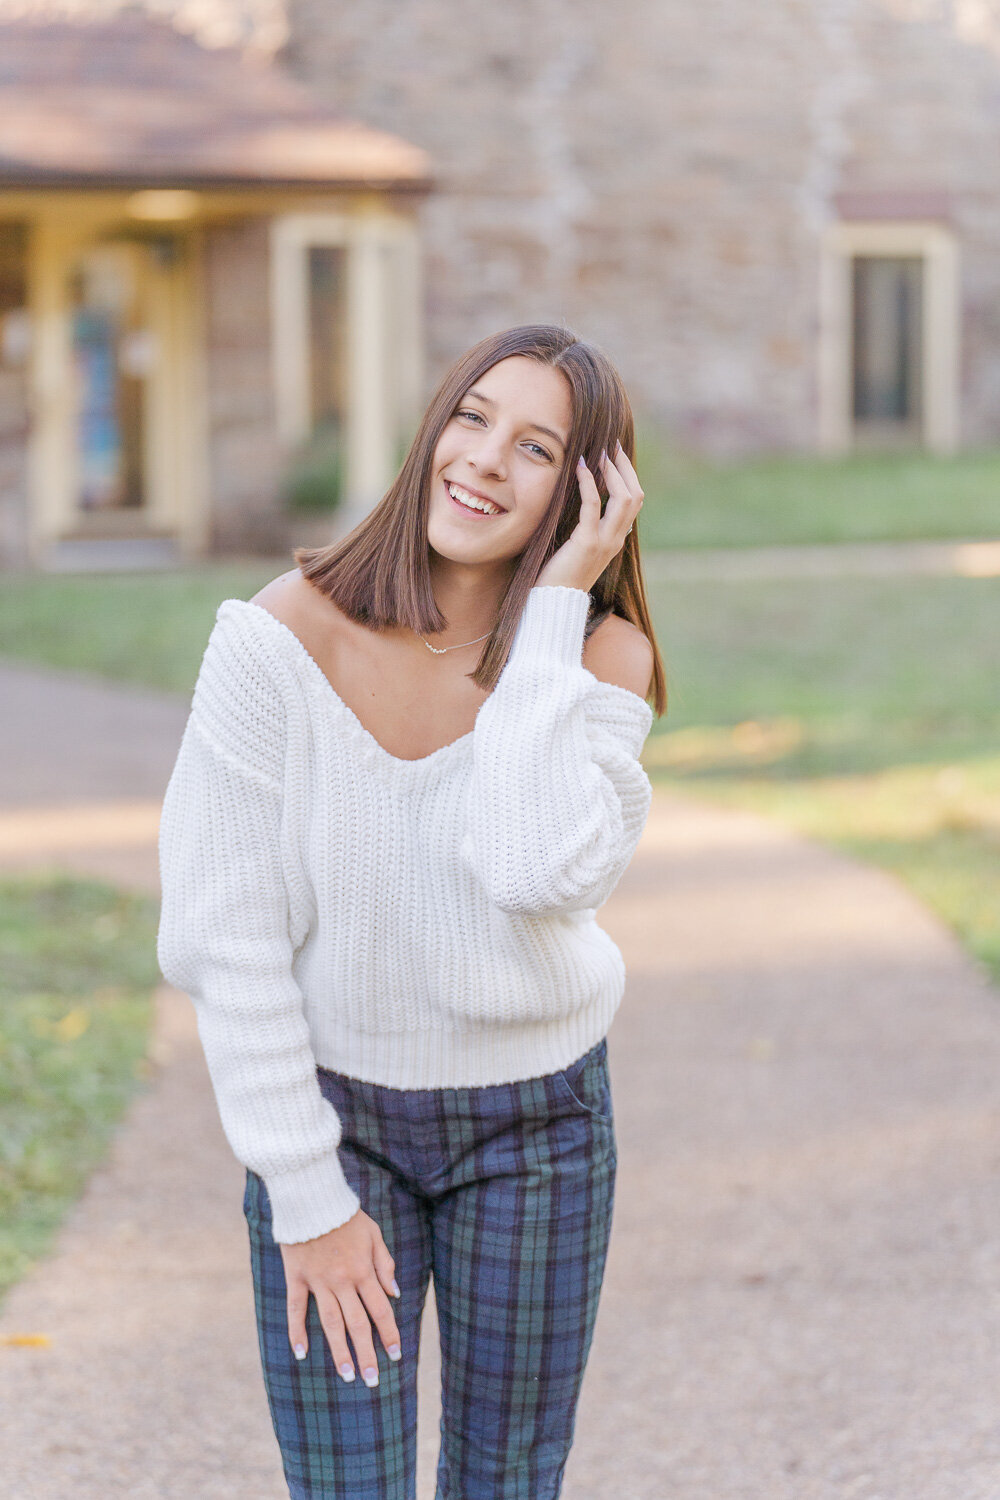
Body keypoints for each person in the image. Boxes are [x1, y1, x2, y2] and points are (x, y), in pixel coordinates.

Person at [156, 322, 667, 1500]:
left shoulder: (601, 659)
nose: (484, 459)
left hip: (539, 1130)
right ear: (432, 428)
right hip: (339, 1122)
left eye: (535, 447)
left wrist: (551, 614)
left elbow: (529, 866)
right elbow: (226, 946)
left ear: (586, 495)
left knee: (505, 1483)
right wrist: (305, 1193)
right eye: (472, 417)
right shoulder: (276, 637)